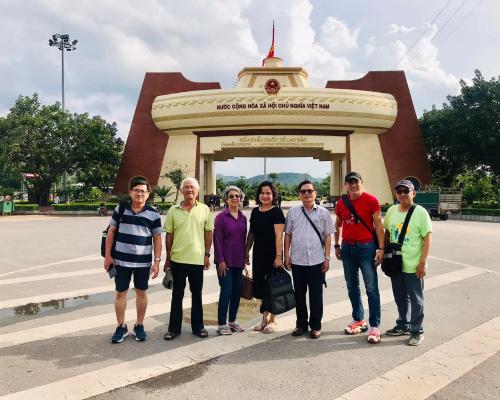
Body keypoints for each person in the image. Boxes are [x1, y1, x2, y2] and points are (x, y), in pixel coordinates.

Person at [104, 175, 162, 343]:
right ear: (130, 192)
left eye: (143, 191)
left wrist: (157, 261)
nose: (139, 194)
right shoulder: (120, 209)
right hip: (120, 261)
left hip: (143, 263)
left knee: (141, 292)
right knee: (120, 293)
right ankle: (121, 326)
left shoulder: (153, 214)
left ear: (148, 194)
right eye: (136, 190)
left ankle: (139, 325)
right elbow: (111, 232)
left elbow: (157, 238)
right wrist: (108, 256)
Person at [334, 171, 384, 344]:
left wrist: (381, 248)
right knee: (352, 286)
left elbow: (378, 225)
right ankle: (358, 320)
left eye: (356, 182)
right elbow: (337, 225)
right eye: (349, 183)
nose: (353, 185)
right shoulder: (341, 202)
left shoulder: (371, 200)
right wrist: (337, 245)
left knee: (371, 287)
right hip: (347, 248)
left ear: (362, 182)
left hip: (366, 247)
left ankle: (375, 326)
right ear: (345, 186)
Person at [163, 177, 213, 340]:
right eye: (186, 187)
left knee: (197, 294)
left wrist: (207, 254)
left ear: (197, 191)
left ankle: (198, 327)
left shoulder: (205, 209)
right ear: (181, 191)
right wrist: (168, 258)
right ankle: (173, 329)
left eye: (192, 187)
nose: (189, 190)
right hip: (177, 259)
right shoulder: (173, 210)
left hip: (197, 260)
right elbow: (169, 235)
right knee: (177, 294)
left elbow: (208, 233)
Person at [383, 180, 432, 346]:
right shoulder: (391, 211)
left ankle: (417, 330)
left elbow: (427, 239)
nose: (402, 194)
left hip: (413, 265)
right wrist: (384, 251)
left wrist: (423, 262)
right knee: (400, 297)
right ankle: (403, 324)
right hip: (396, 264)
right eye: (399, 191)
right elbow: (387, 232)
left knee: (416, 299)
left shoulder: (421, 213)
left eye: (406, 191)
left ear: (413, 193)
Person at [284, 180, 335, 339]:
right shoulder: (292, 212)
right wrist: (286, 255)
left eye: (309, 191)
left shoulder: (323, 213)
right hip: (297, 261)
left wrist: (327, 258)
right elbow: (288, 235)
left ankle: (316, 326)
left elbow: (328, 237)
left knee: (316, 295)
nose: (306, 194)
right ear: (299, 194)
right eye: (303, 191)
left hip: (317, 261)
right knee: (299, 295)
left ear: (315, 193)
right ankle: (301, 324)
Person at [245, 181, 285, 334]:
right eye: (262, 193)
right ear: (258, 195)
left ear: (273, 195)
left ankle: (273, 320)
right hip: (258, 253)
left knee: (272, 286)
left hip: (272, 254)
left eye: (268, 193)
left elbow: (278, 236)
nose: (265, 196)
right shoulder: (255, 212)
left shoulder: (277, 212)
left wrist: (278, 256)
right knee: (260, 286)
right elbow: (252, 233)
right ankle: (264, 318)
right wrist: (246, 251)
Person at [213, 186, 247, 335]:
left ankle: (232, 321)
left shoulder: (243, 218)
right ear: (226, 199)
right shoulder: (221, 217)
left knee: (236, 291)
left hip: (238, 261)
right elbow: (217, 240)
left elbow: (243, 239)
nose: (235, 198)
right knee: (226, 291)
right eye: (231, 196)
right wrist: (220, 260)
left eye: (237, 196)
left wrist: (245, 257)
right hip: (224, 262)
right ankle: (221, 323)